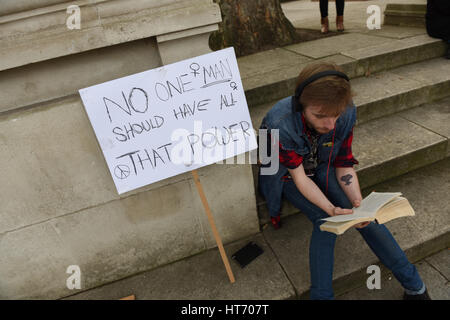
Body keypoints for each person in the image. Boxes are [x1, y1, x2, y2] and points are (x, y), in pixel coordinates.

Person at [257, 62, 430, 300]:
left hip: (322, 163)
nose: (330, 125)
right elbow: (297, 176)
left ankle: (416, 287)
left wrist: (357, 202)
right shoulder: (279, 123)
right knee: (324, 219)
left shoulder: (347, 111)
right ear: (300, 106)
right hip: (287, 170)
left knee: (365, 216)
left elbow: (344, 163)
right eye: (320, 116)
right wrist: (329, 208)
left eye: (336, 116)